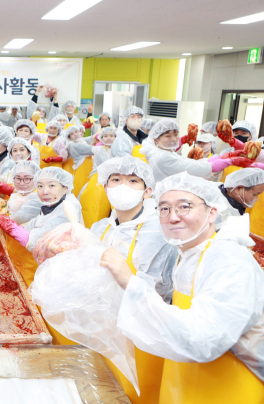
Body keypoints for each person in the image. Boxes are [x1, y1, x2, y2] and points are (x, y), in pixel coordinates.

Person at [101, 172, 264, 403]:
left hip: (228, 388)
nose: (173, 217)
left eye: (184, 207)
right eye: (164, 209)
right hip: (182, 385)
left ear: (212, 213)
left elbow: (202, 341)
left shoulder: (228, 259)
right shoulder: (189, 254)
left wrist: (131, 283)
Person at [92, 156, 179, 403]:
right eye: (116, 180)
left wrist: (124, 277)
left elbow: (158, 289)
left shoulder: (158, 232)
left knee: (136, 394)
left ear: (148, 191)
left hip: (142, 331)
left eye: (133, 181)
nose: (123, 187)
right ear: (105, 186)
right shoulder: (101, 228)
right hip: (106, 326)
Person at [0, 167, 82, 286]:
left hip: (62, 273)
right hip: (48, 265)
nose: (45, 191)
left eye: (51, 186)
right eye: (40, 186)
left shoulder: (68, 208)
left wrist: (10, 226)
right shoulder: (51, 205)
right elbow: (30, 226)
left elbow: (39, 241)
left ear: (65, 188)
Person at [140, 119, 257, 182]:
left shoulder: (163, 152)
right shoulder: (162, 157)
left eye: (176, 134)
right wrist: (229, 160)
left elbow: (193, 164)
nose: (174, 139)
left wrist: (225, 157)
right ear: (156, 139)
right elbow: (195, 168)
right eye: (168, 136)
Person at [7, 161, 42, 225]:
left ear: (36, 179)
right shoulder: (15, 195)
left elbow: (19, 218)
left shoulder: (38, 198)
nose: (22, 183)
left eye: (27, 179)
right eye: (18, 178)